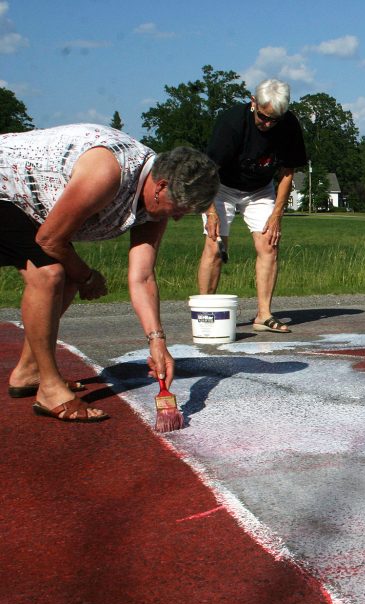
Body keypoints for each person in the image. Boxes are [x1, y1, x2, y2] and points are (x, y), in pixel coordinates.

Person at [0, 124, 219, 422]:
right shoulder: (107, 172)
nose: (178, 217)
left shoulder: (155, 203)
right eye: (179, 208)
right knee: (50, 275)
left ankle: (29, 371)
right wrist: (87, 276)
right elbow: (49, 240)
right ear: (162, 185)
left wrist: (157, 343)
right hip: (5, 187)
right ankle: (49, 389)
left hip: (28, 206)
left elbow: (142, 276)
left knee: (66, 278)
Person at [198, 79, 308, 333]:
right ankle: (206, 312)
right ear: (253, 102)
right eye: (264, 117)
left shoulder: (289, 125)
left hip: (260, 189)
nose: (268, 124)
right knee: (215, 246)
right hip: (220, 186)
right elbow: (206, 172)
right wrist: (211, 211)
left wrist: (277, 214)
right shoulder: (231, 123)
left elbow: (288, 172)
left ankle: (264, 314)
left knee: (269, 243)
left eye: (274, 120)